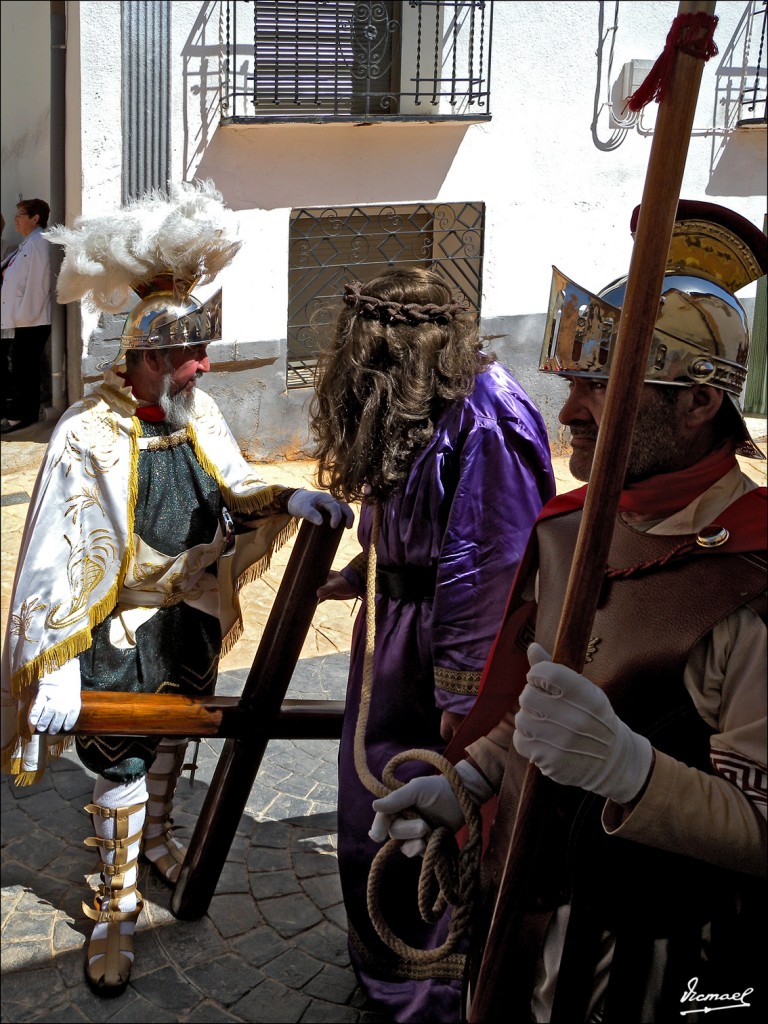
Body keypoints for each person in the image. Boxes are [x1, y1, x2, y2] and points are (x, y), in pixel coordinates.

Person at [370, 203, 767, 1022]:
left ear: (698, 404)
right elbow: (550, 703)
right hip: (535, 915)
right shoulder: (570, 533)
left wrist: (635, 773)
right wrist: (474, 775)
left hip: (675, 957)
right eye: (576, 383)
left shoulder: (756, 578)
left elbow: (761, 832)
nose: (571, 412)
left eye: (605, 386)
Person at [0, 182, 353, 998]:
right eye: (190, 354)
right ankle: (115, 907)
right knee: (120, 760)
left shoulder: (197, 410)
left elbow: (233, 481)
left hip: (186, 615)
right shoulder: (85, 434)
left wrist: (285, 497)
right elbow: (56, 548)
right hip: (118, 629)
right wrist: (53, 660)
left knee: (172, 736)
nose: (204, 365)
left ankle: (159, 837)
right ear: (148, 356)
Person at [309, 267, 556, 1022]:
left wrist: (462, 701)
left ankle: (432, 991)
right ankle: (384, 963)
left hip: (442, 661)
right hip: (392, 635)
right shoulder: (416, 400)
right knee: (371, 816)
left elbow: (491, 564)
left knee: (428, 829)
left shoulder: (488, 417)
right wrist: (368, 569)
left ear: (400, 343)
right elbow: (413, 506)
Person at [0, 198, 52, 433]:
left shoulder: (39, 242)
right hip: (24, 318)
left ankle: (23, 415)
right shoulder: (28, 243)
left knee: (24, 367)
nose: (15, 220)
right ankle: (21, 412)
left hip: (31, 319)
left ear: (35, 218)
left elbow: (38, 284)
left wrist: (26, 316)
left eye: (20, 215)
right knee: (22, 366)